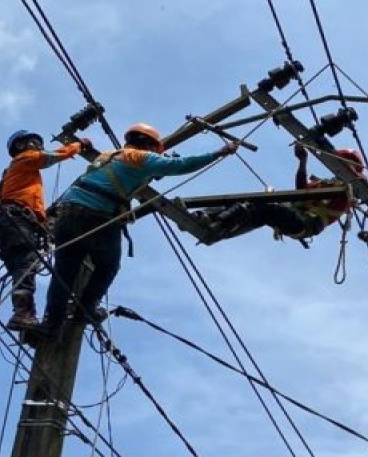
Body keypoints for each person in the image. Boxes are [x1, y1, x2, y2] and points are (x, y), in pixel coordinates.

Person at [41, 122, 240, 338]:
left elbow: (127, 176)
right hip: (95, 216)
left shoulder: (109, 155)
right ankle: (84, 309)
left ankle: (51, 326)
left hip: (67, 216)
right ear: (149, 145)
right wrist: (219, 153)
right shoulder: (141, 158)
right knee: (108, 266)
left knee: (64, 274)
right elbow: (180, 165)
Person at [0, 129, 90, 331]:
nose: (38, 147)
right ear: (20, 146)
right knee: (26, 265)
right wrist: (79, 146)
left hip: (9, 224)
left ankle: (26, 316)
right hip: (15, 221)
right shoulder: (24, 159)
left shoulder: (16, 175)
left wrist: (44, 221)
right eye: (34, 143)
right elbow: (52, 157)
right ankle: (23, 315)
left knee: (22, 268)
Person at [208, 145, 363, 242]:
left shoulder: (348, 191)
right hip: (291, 215)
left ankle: (219, 225)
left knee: (268, 209)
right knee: (252, 206)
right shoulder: (326, 184)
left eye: (344, 162)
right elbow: (302, 189)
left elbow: (348, 197)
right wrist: (302, 161)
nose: (338, 165)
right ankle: (207, 217)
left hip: (304, 224)